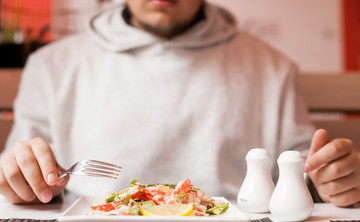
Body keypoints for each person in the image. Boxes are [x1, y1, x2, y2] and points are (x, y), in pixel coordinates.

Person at [0, 0, 359, 207]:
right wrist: (21, 178)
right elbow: (20, 165)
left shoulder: (272, 67)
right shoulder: (52, 65)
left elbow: (305, 170)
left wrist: (331, 179)